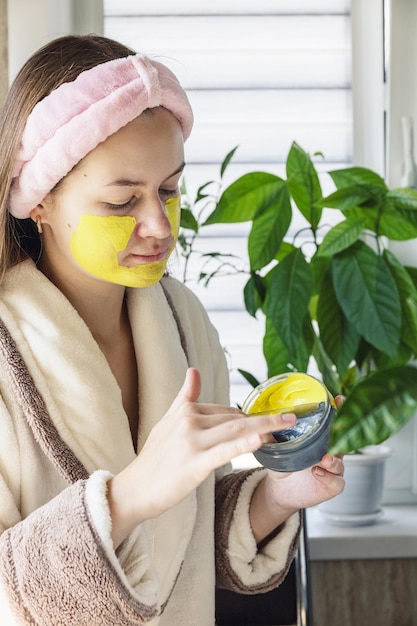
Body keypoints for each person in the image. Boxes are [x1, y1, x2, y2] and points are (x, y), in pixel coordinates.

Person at [0, 34, 344, 625]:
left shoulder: (183, 321)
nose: (159, 224)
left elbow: (181, 545)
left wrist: (276, 495)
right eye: (121, 201)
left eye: (168, 190)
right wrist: (132, 495)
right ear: (40, 202)